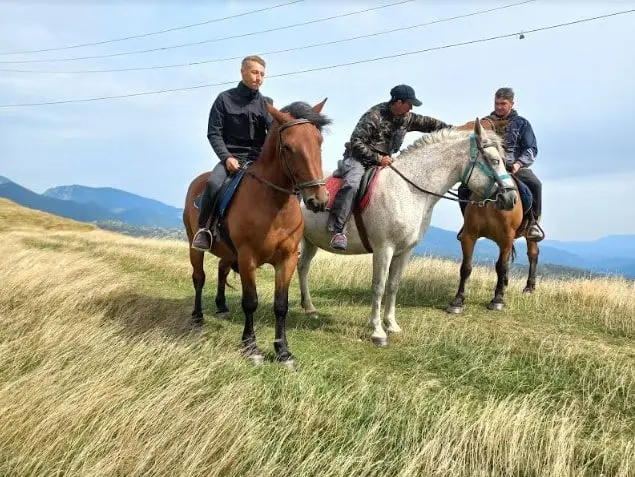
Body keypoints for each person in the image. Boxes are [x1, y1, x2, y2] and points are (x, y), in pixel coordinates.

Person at [327, 84, 452, 251]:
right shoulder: (374, 116)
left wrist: (456, 131)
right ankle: (338, 230)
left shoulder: (408, 117)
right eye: (409, 103)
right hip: (358, 158)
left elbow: (431, 125)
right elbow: (356, 141)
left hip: (386, 161)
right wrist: (378, 158)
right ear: (398, 102)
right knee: (352, 184)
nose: (411, 107)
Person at [191, 55, 273, 251]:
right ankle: (205, 230)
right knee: (212, 184)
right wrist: (226, 157)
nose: (258, 78)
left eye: (262, 74)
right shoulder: (224, 99)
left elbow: (271, 134)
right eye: (254, 72)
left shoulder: (267, 103)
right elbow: (214, 133)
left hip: (257, 161)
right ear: (242, 71)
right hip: (231, 160)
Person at [458, 87, 543, 241]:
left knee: (535, 184)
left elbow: (531, 149)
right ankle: (467, 223)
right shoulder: (486, 123)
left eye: (503, 104)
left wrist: (518, 164)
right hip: (489, 168)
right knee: (463, 188)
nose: (499, 107)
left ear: (512, 104)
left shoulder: (522, 123)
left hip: (513, 168)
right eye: (496, 103)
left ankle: (533, 223)